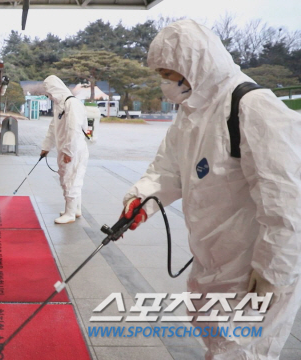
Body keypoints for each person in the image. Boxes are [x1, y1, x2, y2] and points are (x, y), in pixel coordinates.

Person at [121, 19, 301, 359]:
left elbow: (288, 200)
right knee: (216, 340)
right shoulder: (191, 113)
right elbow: (167, 170)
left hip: (253, 266)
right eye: (161, 74)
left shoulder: (252, 106)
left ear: (195, 63)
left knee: (241, 350)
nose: (167, 84)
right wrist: (140, 200)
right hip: (213, 255)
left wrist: (273, 272)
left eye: (170, 73)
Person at [39, 75, 89, 224]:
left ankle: (70, 214)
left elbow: (73, 129)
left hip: (74, 150)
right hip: (67, 149)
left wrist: (68, 152)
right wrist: (46, 148)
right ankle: (76, 209)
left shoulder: (72, 104)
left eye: (49, 93)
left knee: (70, 179)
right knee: (71, 178)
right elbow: (53, 128)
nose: (49, 96)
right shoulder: (60, 105)